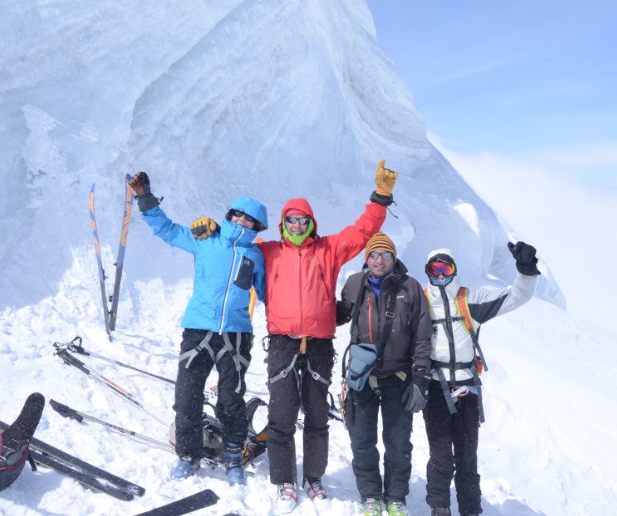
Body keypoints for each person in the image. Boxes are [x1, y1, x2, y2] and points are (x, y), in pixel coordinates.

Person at [194, 160, 398, 512]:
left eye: (304, 220)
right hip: (283, 342)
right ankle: (285, 480)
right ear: (284, 223)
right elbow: (236, 243)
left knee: (317, 416)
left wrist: (380, 197)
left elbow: (363, 232)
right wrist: (213, 230)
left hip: (319, 343)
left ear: (312, 223)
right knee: (282, 415)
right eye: (292, 220)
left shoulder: (328, 249)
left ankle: (313, 478)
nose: (298, 225)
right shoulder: (269, 251)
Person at [127, 171, 268, 486]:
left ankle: (234, 456)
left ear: (258, 227)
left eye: (251, 220)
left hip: (236, 334)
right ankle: (188, 457)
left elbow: (271, 293)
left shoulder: (256, 255)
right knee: (187, 395)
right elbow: (166, 229)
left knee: (231, 400)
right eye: (238, 215)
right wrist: (144, 196)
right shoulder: (207, 240)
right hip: (198, 330)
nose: (243, 222)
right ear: (229, 215)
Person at [422, 241, 541, 516]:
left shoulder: (468, 300)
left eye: (445, 268)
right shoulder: (422, 303)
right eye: (434, 269)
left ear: (454, 270)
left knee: (467, 456)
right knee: (440, 456)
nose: (440, 275)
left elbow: (516, 297)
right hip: (435, 387)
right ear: (428, 271)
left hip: (467, 388)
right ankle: (439, 508)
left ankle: (470, 510)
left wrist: (526, 268)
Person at [336, 232, 432, 516]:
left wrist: (420, 378)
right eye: (374, 255)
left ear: (394, 258)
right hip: (361, 377)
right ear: (367, 259)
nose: (380, 260)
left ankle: (396, 497)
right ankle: (370, 495)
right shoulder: (355, 284)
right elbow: (337, 315)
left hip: (398, 378)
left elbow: (422, 336)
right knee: (362, 439)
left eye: (386, 255)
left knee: (398, 441)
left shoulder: (411, 288)